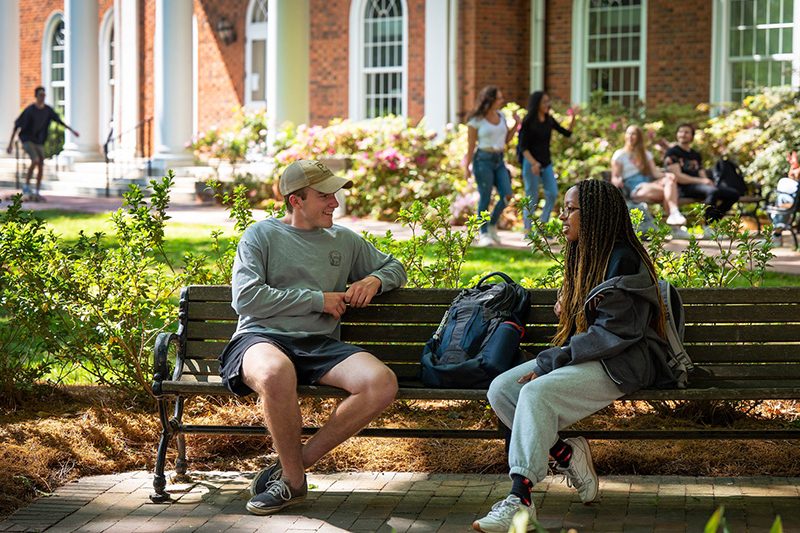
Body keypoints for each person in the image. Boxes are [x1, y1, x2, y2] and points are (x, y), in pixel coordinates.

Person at [472, 179, 676, 533]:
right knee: (502, 389)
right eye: (563, 209)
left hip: (623, 364)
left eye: (570, 209)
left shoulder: (623, 260)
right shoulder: (586, 251)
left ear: (594, 214)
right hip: (593, 355)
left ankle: (520, 501)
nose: (562, 217)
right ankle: (566, 455)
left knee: (535, 393)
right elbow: (589, 323)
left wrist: (553, 360)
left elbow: (614, 334)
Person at [219, 159, 407, 516]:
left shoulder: (344, 240)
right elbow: (246, 298)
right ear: (296, 201)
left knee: (380, 383)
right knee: (276, 373)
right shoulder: (261, 236)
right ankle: (293, 484)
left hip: (318, 345)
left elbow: (395, 266)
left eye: (334, 194)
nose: (334, 202)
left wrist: (375, 280)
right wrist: (317, 299)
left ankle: (292, 469)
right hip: (261, 339)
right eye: (324, 195)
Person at [464, 85, 520, 247]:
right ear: (490, 99)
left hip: (499, 160)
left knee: (507, 194)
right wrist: (467, 167)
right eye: (499, 98)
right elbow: (470, 145)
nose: (502, 100)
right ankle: (483, 233)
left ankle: (491, 224)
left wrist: (516, 125)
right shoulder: (476, 120)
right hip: (483, 160)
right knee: (485, 196)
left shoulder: (501, 116)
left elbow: (506, 140)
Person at [5, 86, 79, 201]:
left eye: (44, 95)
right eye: (40, 95)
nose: (42, 97)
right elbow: (17, 125)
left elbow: (59, 121)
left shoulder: (47, 110)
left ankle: (37, 190)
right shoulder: (30, 110)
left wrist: (72, 131)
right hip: (27, 138)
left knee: (41, 163)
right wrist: (10, 144)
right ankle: (26, 185)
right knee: (35, 160)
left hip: (39, 140)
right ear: (36, 96)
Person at [517, 91, 576, 232]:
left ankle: (542, 226)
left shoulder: (549, 119)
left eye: (548, 101)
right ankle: (528, 230)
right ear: (537, 104)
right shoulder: (528, 121)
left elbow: (566, 133)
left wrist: (573, 116)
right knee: (532, 197)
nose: (547, 104)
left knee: (552, 193)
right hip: (531, 163)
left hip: (546, 162)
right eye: (544, 102)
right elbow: (523, 147)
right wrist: (533, 163)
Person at [664, 123, 739, 226]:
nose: (683, 134)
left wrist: (707, 182)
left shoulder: (695, 154)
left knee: (733, 194)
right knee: (713, 192)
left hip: (699, 186)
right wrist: (702, 181)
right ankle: (708, 226)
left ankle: (714, 221)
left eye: (686, 132)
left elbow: (701, 172)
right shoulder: (672, 152)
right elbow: (678, 177)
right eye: (680, 132)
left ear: (692, 136)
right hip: (683, 188)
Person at [611, 125, 686, 226]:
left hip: (648, 184)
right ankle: (675, 220)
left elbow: (655, 173)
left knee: (669, 181)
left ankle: (674, 216)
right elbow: (614, 177)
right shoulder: (620, 155)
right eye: (628, 133)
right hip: (634, 188)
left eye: (634, 134)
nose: (630, 136)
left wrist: (667, 175)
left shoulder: (646, 154)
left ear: (639, 137)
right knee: (670, 192)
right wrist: (617, 181)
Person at [768, 147, 800, 245]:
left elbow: (795, 178)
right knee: (782, 202)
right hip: (792, 201)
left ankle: (776, 235)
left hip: (793, 202)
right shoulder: (794, 170)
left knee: (783, 203)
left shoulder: (795, 172)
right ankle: (776, 234)